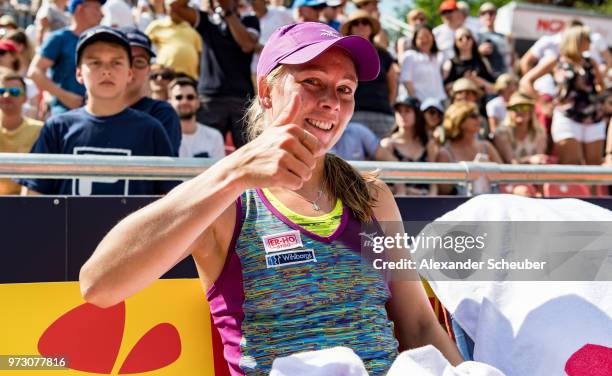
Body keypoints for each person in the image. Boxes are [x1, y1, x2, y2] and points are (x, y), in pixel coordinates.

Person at [79, 22, 463, 375]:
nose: (332, 101)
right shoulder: (229, 201)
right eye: (313, 81)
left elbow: (418, 323)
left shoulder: (370, 196)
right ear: (266, 91)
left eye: (345, 89)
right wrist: (234, 171)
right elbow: (99, 285)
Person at [18, 26, 175, 195]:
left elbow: (167, 199)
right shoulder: (57, 128)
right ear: (78, 73)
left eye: (116, 62)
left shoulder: (151, 130)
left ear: (129, 73)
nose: (106, 71)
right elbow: (32, 197)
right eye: (95, 62)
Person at [168, 0, 259, 149]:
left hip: (242, 98)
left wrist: (228, 13)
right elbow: (175, 7)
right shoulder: (206, 20)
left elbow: (247, 44)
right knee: (205, 152)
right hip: (210, 99)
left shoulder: (249, 20)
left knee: (250, 153)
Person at [521, 26, 605, 165]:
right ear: (576, 40)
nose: (590, 42)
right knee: (571, 164)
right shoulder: (556, 60)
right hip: (567, 117)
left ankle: (592, 188)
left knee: (594, 168)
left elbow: (600, 86)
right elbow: (526, 81)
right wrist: (542, 104)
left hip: (593, 117)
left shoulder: (591, 62)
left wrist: (590, 90)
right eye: (587, 39)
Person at [28, 0, 104, 116]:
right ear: (80, 9)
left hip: (97, 114)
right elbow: (34, 72)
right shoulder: (59, 38)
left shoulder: (102, 41)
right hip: (65, 115)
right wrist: (64, 96)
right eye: (96, 9)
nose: (101, 14)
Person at [120, 26, 181, 155]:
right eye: (124, 59)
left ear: (148, 70)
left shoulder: (162, 114)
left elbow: (163, 169)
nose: (131, 69)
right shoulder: (83, 115)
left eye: (140, 62)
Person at [341, 10, 398, 138]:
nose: (361, 25)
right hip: (354, 114)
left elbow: (393, 84)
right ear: (350, 28)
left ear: (371, 28)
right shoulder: (343, 54)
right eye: (356, 23)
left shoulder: (384, 54)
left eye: (365, 22)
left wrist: (389, 105)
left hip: (383, 114)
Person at [436, 101, 502, 195]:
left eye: (478, 115)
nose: (478, 120)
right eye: (473, 116)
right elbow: (444, 190)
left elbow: (504, 177)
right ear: (459, 121)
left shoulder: (486, 146)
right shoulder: (445, 153)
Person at [380, 96, 437, 196]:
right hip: (396, 202)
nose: (402, 115)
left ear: (417, 114)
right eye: (399, 111)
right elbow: (379, 183)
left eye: (407, 111)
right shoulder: (388, 144)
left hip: (426, 203)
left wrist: (429, 198)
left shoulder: (428, 144)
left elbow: (433, 182)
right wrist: (405, 191)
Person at [0, 68, 43, 195]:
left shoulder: (39, 130)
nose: (6, 96)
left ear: (25, 98)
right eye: (1, 91)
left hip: (25, 205)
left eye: (14, 91)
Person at [168, 76, 224, 158]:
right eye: (178, 97)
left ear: (198, 102)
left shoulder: (214, 136)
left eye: (190, 97)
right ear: (169, 102)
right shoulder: (164, 137)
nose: (184, 101)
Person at [145, 3, 202, 80]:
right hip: (164, 77)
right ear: (166, 7)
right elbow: (143, 47)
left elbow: (200, 56)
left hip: (190, 78)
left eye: (178, 7)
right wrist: (150, 66)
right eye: (172, 6)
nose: (175, 10)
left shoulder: (193, 30)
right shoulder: (157, 26)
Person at [493, 93, 547, 165]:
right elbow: (510, 162)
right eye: (515, 108)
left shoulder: (539, 132)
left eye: (524, 107)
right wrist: (530, 160)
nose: (520, 111)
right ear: (510, 111)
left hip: (535, 174)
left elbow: (540, 160)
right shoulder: (501, 132)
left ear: (531, 111)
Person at [399, 25, 446, 103]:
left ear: (433, 38)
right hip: (419, 103)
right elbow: (406, 80)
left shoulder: (438, 57)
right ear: (415, 40)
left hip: (438, 103)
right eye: (421, 37)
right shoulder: (410, 56)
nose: (424, 40)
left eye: (427, 36)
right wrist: (415, 102)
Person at [443, 27, 495, 95]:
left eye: (468, 37)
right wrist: (464, 80)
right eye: (460, 39)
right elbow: (445, 88)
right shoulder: (450, 63)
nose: (465, 40)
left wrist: (477, 80)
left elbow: (493, 87)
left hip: (482, 101)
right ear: (455, 43)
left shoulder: (482, 61)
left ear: (472, 40)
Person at [476, 2, 511, 79]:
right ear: (480, 16)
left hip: (505, 78)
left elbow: (510, 57)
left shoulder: (504, 36)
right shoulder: (475, 36)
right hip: (487, 78)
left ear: (495, 15)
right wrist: (478, 51)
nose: (488, 16)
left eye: (491, 13)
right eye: (484, 13)